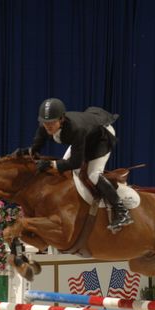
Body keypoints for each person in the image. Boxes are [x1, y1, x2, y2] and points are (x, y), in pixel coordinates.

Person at [20, 98, 133, 232]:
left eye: (52, 122)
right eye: (45, 123)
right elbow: (36, 148)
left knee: (93, 175)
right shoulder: (44, 127)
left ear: (61, 119)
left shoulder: (76, 129)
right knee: (63, 170)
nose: (48, 126)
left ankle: (122, 211)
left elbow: (75, 163)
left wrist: (51, 164)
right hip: (85, 134)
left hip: (101, 136)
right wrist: (25, 153)